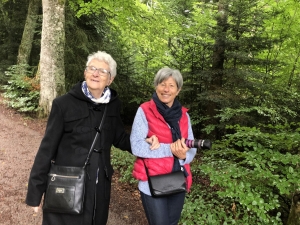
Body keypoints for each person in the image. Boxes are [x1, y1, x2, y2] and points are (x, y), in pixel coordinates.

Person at [26, 51, 159, 225]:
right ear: (85, 73)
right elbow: (46, 150)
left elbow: (119, 138)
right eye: (92, 69)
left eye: (102, 71)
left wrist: (144, 141)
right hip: (68, 184)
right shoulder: (63, 104)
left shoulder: (112, 105)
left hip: (99, 187)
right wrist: (35, 193)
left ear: (110, 79)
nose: (96, 73)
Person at [130, 67, 197, 225]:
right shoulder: (144, 111)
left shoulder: (184, 115)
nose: (166, 89)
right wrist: (171, 149)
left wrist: (184, 156)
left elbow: (191, 147)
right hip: (152, 181)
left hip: (178, 179)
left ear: (178, 90)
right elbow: (136, 146)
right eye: (162, 84)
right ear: (156, 86)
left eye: (171, 85)